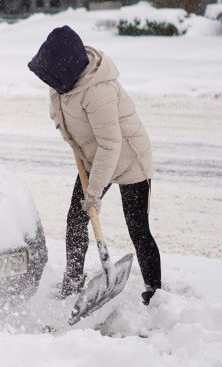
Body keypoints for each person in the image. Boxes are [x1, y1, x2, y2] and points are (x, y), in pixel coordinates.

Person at [27, 25, 162, 305]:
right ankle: (73, 280)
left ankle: (154, 290)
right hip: (94, 157)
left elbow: (110, 144)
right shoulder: (61, 84)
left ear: (66, 68)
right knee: (76, 219)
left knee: (137, 226)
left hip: (130, 157)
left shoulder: (98, 90)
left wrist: (94, 192)